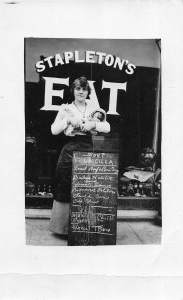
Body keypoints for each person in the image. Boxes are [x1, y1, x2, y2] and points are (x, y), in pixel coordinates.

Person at [49, 76, 110, 237]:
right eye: (78, 89)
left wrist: (93, 124)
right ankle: (62, 229)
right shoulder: (66, 108)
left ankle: (84, 226)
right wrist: (68, 120)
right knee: (65, 183)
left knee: (87, 187)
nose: (81, 92)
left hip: (89, 149)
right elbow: (54, 130)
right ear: (73, 91)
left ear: (88, 91)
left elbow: (107, 127)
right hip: (70, 149)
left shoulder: (93, 108)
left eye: (84, 89)